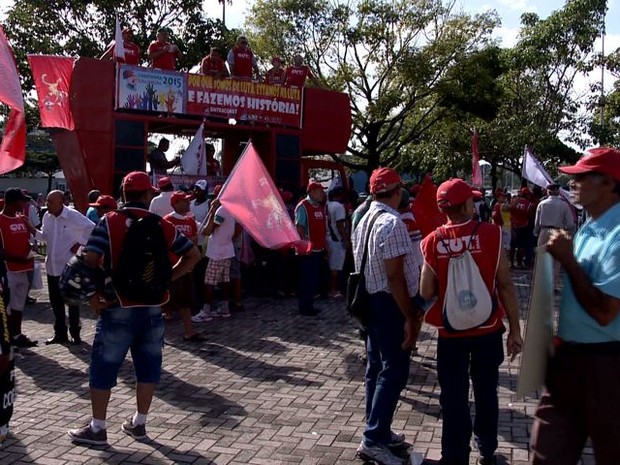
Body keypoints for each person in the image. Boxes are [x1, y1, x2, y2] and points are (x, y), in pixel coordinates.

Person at [68, 171, 200, 446]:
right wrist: (167, 279)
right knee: (148, 367)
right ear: (148, 194)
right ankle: (139, 423)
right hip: (153, 307)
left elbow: (91, 258)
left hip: (118, 305)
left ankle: (98, 428)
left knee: (104, 367)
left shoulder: (110, 221)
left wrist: (93, 298)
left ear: (123, 193)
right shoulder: (162, 225)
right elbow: (193, 255)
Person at [419, 178, 523, 465]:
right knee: (486, 390)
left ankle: (454, 455)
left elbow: (426, 291)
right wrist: (515, 329)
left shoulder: (432, 240)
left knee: (453, 396)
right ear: (467, 204)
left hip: (450, 333)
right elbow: (505, 285)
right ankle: (487, 450)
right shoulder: (491, 234)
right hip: (487, 329)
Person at [529, 147, 620, 465]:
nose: (573, 183)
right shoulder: (589, 228)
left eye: (581, 177)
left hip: (607, 368)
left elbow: (605, 311)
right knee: (546, 452)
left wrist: (567, 259)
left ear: (608, 183)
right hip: (570, 362)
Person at [352, 168, 422, 465]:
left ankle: (377, 428)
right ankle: (373, 438)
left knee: (376, 368)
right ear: (395, 192)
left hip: (367, 300)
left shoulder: (364, 218)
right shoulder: (392, 223)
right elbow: (395, 277)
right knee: (394, 370)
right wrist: (409, 314)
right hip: (386, 302)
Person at [27, 190, 95, 345]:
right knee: (55, 302)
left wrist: (80, 242)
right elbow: (44, 237)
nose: (47, 205)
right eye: (47, 202)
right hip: (52, 267)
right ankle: (60, 333)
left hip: (69, 267)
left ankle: (75, 334)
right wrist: (30, 228)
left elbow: (92, 229)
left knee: (72, 302)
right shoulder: (47, 216)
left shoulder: (73, 215)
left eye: (51, 202)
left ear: (61, 202)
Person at [163, 192, 205, 341]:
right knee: (163, 297)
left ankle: (189, 331)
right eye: (185, 201)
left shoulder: (190, 221)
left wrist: (191, 262)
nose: (188, 203)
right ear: (176, 203)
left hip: (185, 266)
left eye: (188, 200)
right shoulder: (167, 221)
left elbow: (193, 241)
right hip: (171, 265)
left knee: (185, 300)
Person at [0, 189, 38, 348]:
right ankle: (7, 338)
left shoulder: (22, 219)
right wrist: (18, 258)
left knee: (18, 305)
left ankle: (17, 334)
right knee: (6, 307)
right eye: (22, 201)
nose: (25, 204)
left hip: (24, 269)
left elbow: (27, 240)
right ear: (14, 201)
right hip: (8, 270)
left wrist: (31, 248)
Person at [192, 186, 236, 322]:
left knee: (209, 282)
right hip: (226, 249)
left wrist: (212, 211)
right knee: (224, 281)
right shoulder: (230, 209)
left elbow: (208, 230)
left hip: (217, 251)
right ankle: (225, 308)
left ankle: (206, 311)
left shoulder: (221, 211)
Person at [294, 182, 327, 316]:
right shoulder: (303, 206)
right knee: (307, 279)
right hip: (308, 251)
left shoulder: (319, 207)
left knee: (313, 279)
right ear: (312, 192)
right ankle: (305, 307)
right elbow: (299, 226)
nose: (322, 194)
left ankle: (310, 304)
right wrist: (305, 243)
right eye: (320, 191)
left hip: (318, 249)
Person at [533, 184, 575, 287]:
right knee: (556, 261)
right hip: (557, 231)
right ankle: (552, 284)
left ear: (548, 192)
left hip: (544, 231)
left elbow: (537, 222)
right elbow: (570, 223)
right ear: (558, 192)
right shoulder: (564, 205)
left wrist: (536, 232)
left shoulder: (542, 204)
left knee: (541, 258)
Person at [326, 186, 350, 298]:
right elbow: (340, 225)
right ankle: (333, 290)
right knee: (336, 267)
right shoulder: (339, 206)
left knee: (332, 266)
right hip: (336, 239)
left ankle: (332, 289)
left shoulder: (327, 204)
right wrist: (345, 239)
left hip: (329, 238)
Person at [190, 180, 210, 309]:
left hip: (204, 244)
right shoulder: (190, 204)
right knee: (193, 274)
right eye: (195, 189)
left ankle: (203, 301)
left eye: (200, 189)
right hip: (192, 243)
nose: (196, 192)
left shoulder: (209, 205)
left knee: (202, 273)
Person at [510, 187, 533, 268]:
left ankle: (512, 263)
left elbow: (510, 211)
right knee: (522, 246)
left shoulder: (514, 201)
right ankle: (519, 262)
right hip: (523, 226)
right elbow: (530, 215)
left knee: (512, 245)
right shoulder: (529, 204)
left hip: (513, 226)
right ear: (526, 195)